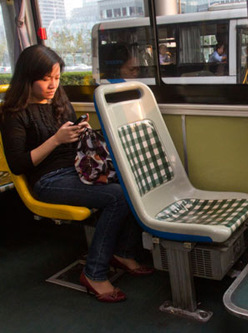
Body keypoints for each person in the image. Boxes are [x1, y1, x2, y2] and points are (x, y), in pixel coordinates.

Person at [0, 45, 153, 303]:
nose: (53, 85)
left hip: (75, 168)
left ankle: (124, 252)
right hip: (47, 180)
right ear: (27, 78)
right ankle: (94, 272)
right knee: (117, 197)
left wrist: (81, 133)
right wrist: (57, 140)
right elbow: (19, 165)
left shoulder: (58, 101)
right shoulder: (14, 114)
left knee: (130, 183)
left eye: (57, 78)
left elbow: (73, 146)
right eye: (45, 79)